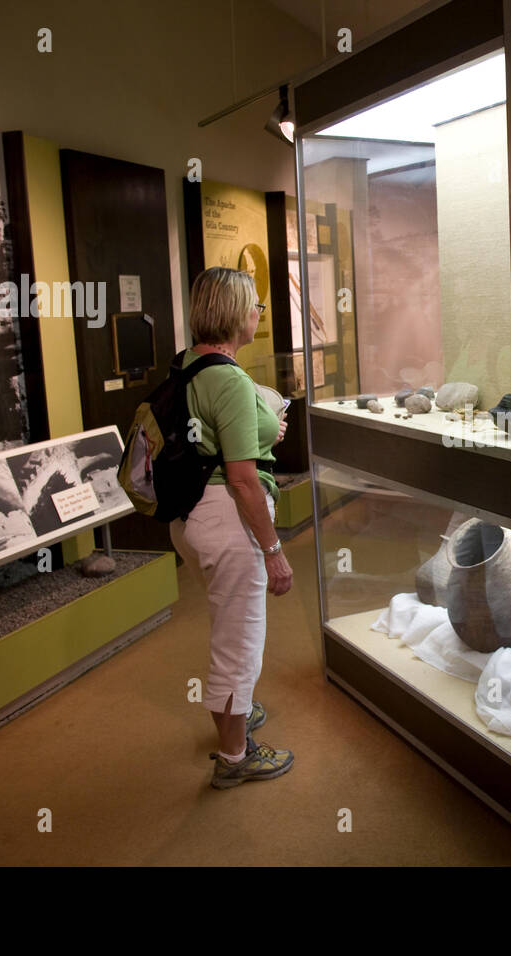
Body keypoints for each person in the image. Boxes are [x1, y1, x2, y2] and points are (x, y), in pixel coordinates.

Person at [170, 266, 295, 789]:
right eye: (254, 306)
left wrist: (267, 428)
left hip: (192, 515)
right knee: (241, 640)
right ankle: (235, 755)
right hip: (228, 517)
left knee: (227, 628)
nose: (259, 315)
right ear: (233, 312)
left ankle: (232, 714)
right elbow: (244, 480)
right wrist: (274, 550)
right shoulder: (230, 379)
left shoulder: (189, 365)